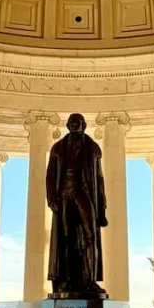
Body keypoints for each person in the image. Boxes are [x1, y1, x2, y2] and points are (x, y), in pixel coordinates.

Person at [46, 113, 107, 297]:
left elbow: (99, 179)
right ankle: (68, 280)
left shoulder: (93, 148)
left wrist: (102, 208)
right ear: (67, 126)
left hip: (85, 192)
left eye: (77, 123)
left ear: (84, 125)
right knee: (67, 238)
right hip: (65, 194)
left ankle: (89, 280)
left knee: (90, 237)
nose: (74, 126)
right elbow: (50, 176)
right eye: (71, 123)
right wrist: (51, 198)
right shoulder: (58, 148)